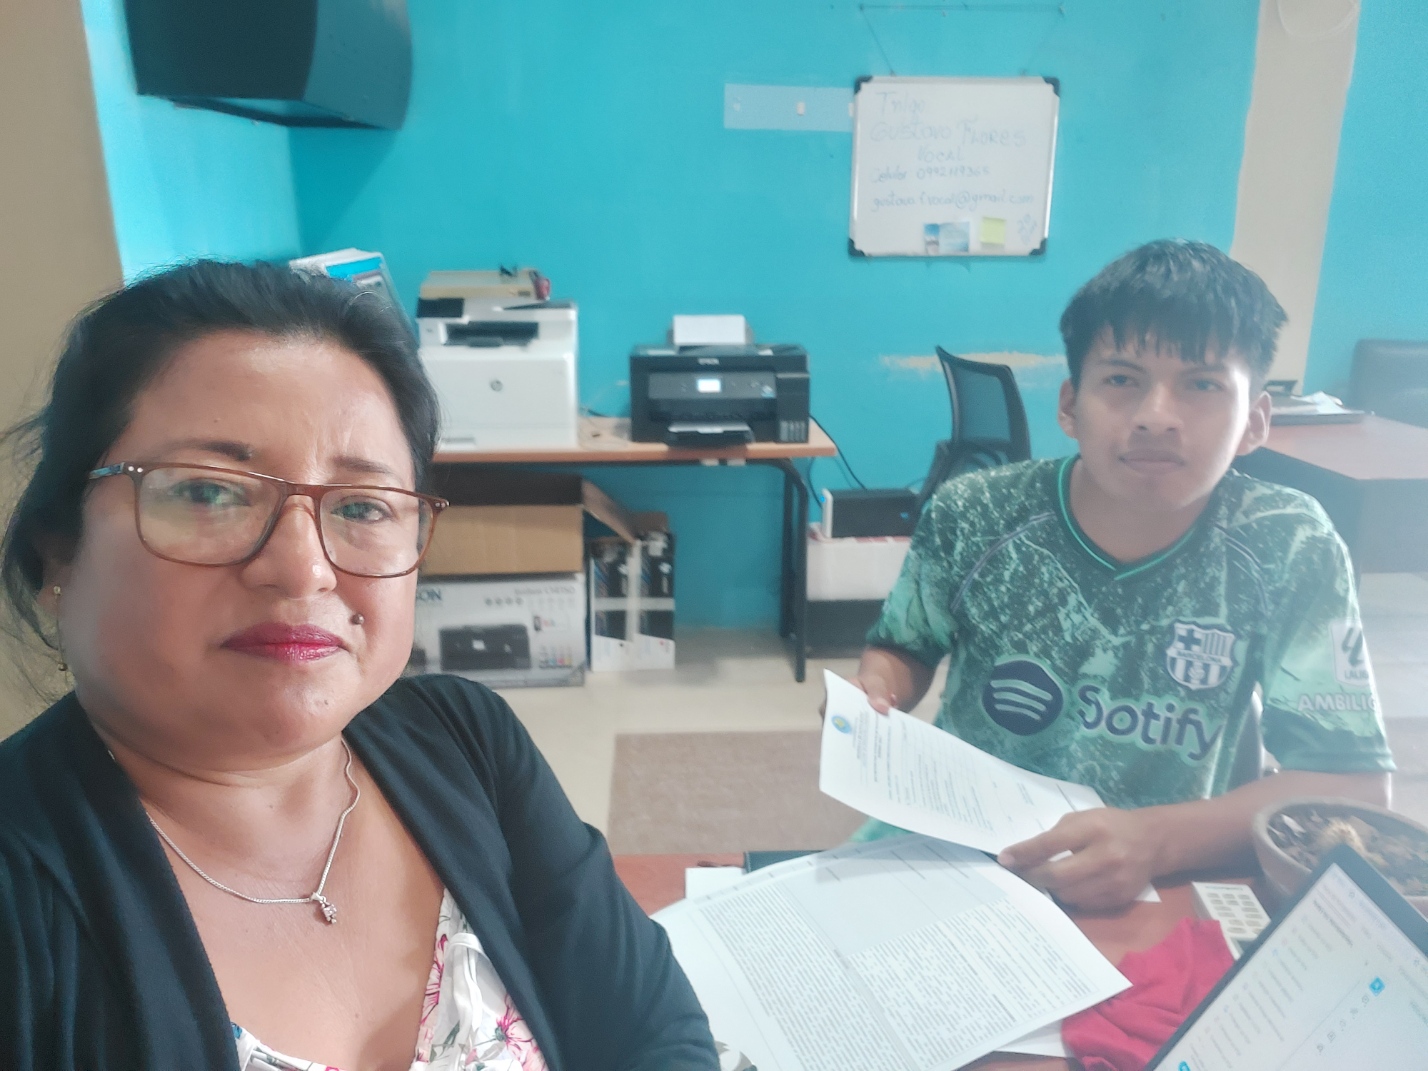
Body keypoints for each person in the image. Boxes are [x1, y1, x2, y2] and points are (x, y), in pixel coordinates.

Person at [0, 261, 717, 1071]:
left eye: (362, 506)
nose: (302, 568)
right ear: (58, 550)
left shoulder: (465, 740)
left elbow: (653, 1036)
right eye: (209, 493)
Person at [844, 240, 1394, 909]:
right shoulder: (975, 513)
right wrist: (877, 689)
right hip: (958, 855)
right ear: (1070, 405)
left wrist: (1155, 841)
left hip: (1155, 883)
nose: (1156, 416)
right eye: (1122, 379)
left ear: (1254, 422)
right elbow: (903, 646)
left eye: (1202, 384)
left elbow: (1353, 787)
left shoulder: (1288, 542)